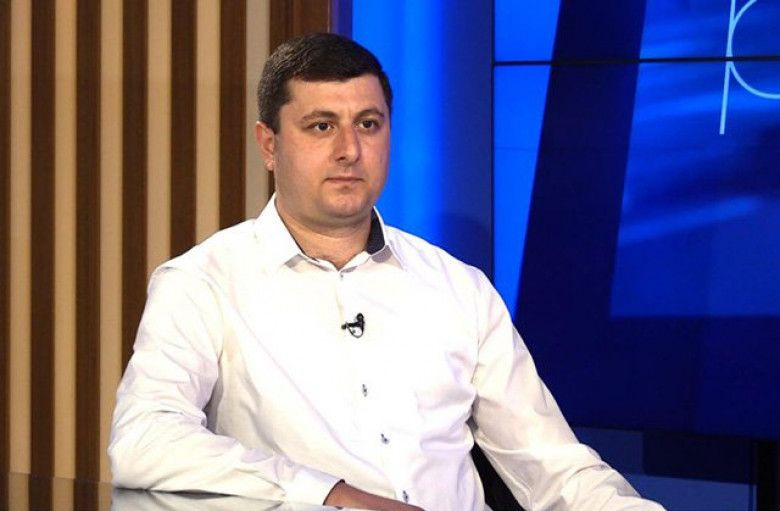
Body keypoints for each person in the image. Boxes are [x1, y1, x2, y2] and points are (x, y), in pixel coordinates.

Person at [109, 33, 665, 511]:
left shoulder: (458, 287)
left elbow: (552, 467)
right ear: (269, 145)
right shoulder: (203, 282)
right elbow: (144, 439)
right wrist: (331, 494)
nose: (350, 150)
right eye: (321, 126)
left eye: (368, 124)